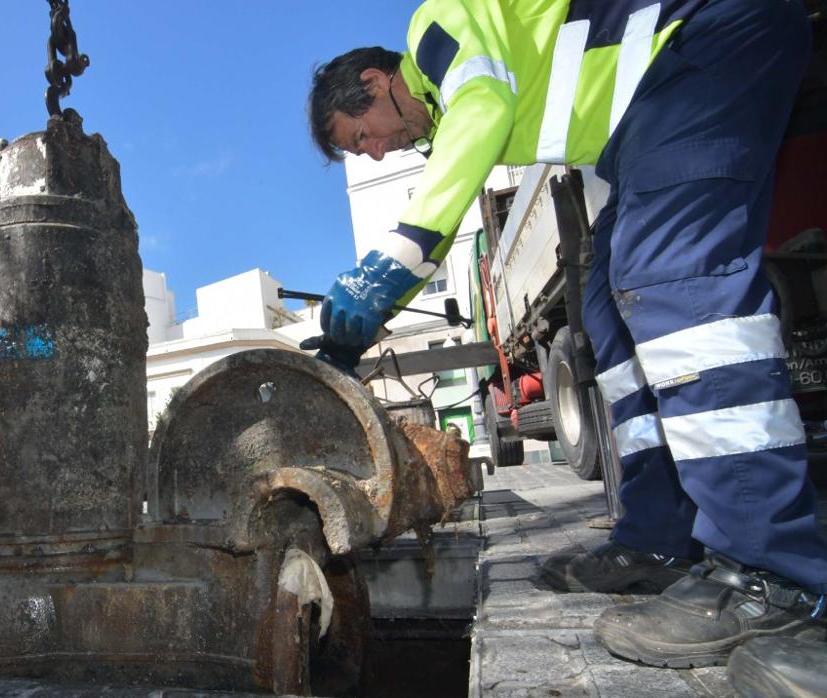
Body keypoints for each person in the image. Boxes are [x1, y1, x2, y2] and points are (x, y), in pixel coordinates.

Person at [308, 0, 826, 670]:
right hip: (649, 109)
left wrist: (377, 279)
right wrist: (366, 315)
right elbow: (470, 151)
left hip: (703, 40)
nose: (376, 153)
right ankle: (661, 534)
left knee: (673, 280)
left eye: (362, 137)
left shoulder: (434, 31)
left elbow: (483, 111)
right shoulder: (454, 99)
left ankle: (771, 574)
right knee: (610, 303)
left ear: (376, 82)